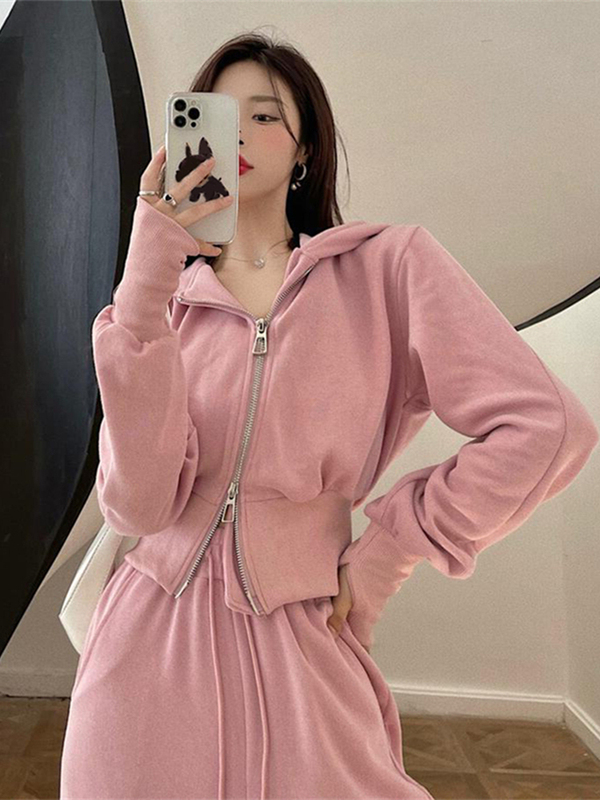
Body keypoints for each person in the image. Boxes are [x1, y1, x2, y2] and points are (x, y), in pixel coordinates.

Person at [59, 31, 598, 800]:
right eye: (217, 116)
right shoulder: (161, 300)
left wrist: (390, 551)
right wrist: (145, 274)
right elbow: (139, 504)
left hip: (306, 635)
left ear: (306, 147)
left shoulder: (388, 270)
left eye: (265, 116)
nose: (238, 136)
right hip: (145, 649)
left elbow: (548, 426)